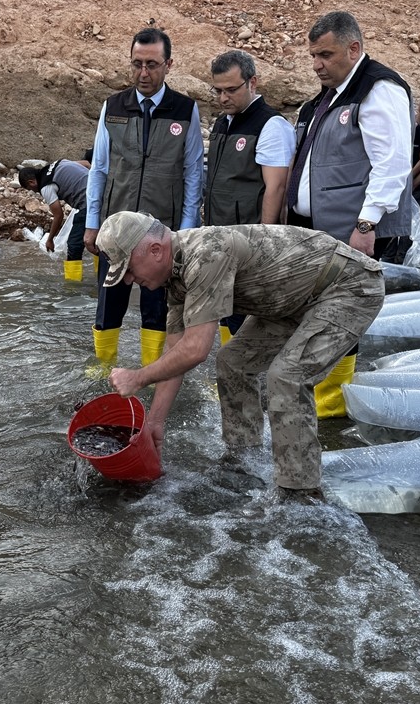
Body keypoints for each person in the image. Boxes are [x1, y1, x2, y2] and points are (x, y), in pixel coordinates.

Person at [98, 211, 383, 504]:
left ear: (156, 250)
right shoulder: (175, 276)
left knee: (287, 376)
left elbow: (196, 349)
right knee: (232, 362)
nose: (129, 280)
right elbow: (176, 352)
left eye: (129, 269)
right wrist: (155, 422)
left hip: (347, 286)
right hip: (292, 299)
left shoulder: (206, 254)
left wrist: (138, 378)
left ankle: (299, 493)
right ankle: (244, 459)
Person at [287, 10, 414, 415]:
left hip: (351, 228)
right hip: (321, 226)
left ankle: (331, 402)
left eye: (325, 54)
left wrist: (366, 222)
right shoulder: (331, 94)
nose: (316, 64)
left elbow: (392, 162)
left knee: (342, 312)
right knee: (319, 310)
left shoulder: (377, 89)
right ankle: (317, 390)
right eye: (313, 55)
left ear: (354, 48)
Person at [83, 27, 203, 372]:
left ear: (168, 65)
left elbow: (193, 173)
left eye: (152, 64)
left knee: (158, 305)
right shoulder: (113, 107)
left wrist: (186, 231)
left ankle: (152, 371)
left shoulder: (185, 110)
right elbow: (99, 169)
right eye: (137, 64)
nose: (144, 73)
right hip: (115, 227)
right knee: (109, 300)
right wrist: (92, 223)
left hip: (162, 232)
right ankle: (103, 369)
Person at [204, 49, 296, 342]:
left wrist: (264, 242)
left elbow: (276, 187)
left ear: (252, 82)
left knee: (247, 319)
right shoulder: (223, 123)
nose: (223, 98)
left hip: (250, 243)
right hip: (221, 238)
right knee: (226, 311)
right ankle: (226, 365)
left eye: (231, 90)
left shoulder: (271, 125)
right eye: (218, 90)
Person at [18, 159, 90, 281]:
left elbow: (58, 215)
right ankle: (101, 277)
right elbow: (87, 164)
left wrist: (50, 240)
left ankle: (73, 286)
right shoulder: (58, 163)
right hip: (102, 193)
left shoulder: (46, 186)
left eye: (30, 188)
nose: (34, 191)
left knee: (74, 246)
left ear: (32, 182)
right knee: (96, 241)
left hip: (88, 204)